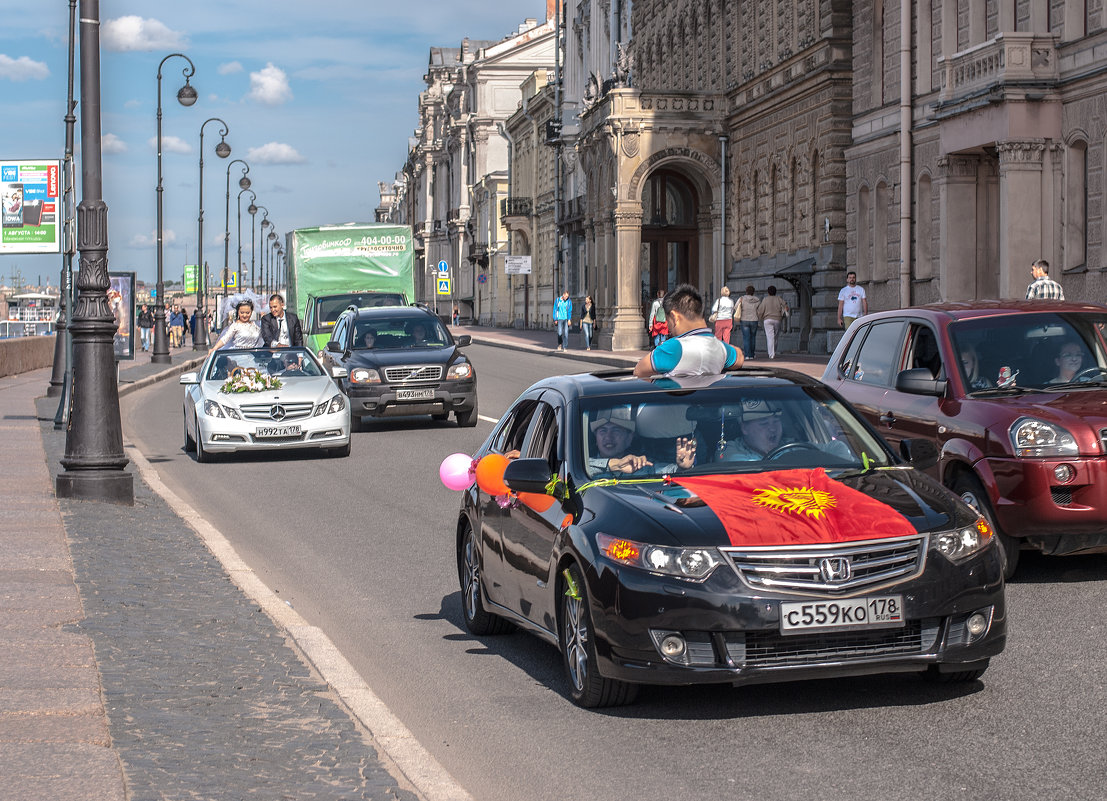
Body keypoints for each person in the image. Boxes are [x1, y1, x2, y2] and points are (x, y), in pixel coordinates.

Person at [634, 283, 742, 378]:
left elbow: (639, 371)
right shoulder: (722, 348)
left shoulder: (673, 347)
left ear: (674, 317)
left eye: (667, 320)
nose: (667, 325)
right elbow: (739, 357)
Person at [587, 406, 696, 477]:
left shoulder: (642, 465)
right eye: (603, 431)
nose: (608, 437)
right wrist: (614, 465)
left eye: (616, 430)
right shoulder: (583, 465)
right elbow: (575, 472)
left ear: (629, 438)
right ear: (596, 438)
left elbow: (668, 472)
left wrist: (683, 468)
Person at [720, 399, 785, 461]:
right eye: (764, 423)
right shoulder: (729, 451)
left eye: (776, 421)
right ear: (744, 428)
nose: (772, 429)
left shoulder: (790, 445)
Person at [758, 285, 789, 360]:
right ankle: (773, 351)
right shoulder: (779, 299)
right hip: (777, 319)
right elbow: (786, 306)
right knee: (776, 337)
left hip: (767, 320)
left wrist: (760, 317)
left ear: (768, 292)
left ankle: (771, 354)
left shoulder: (765, 299)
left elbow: (761, 310)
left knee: (770, 337)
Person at [736, 285, 761, 359]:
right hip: (754, 320)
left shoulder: (742, 299)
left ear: (746, 291)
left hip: (744, 320)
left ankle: (747, 355)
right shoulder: (757, 300)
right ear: (753, 292)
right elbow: (760, 310)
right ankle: (752, 354)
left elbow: (736, 307)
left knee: (746, 338)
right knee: (753, 337)